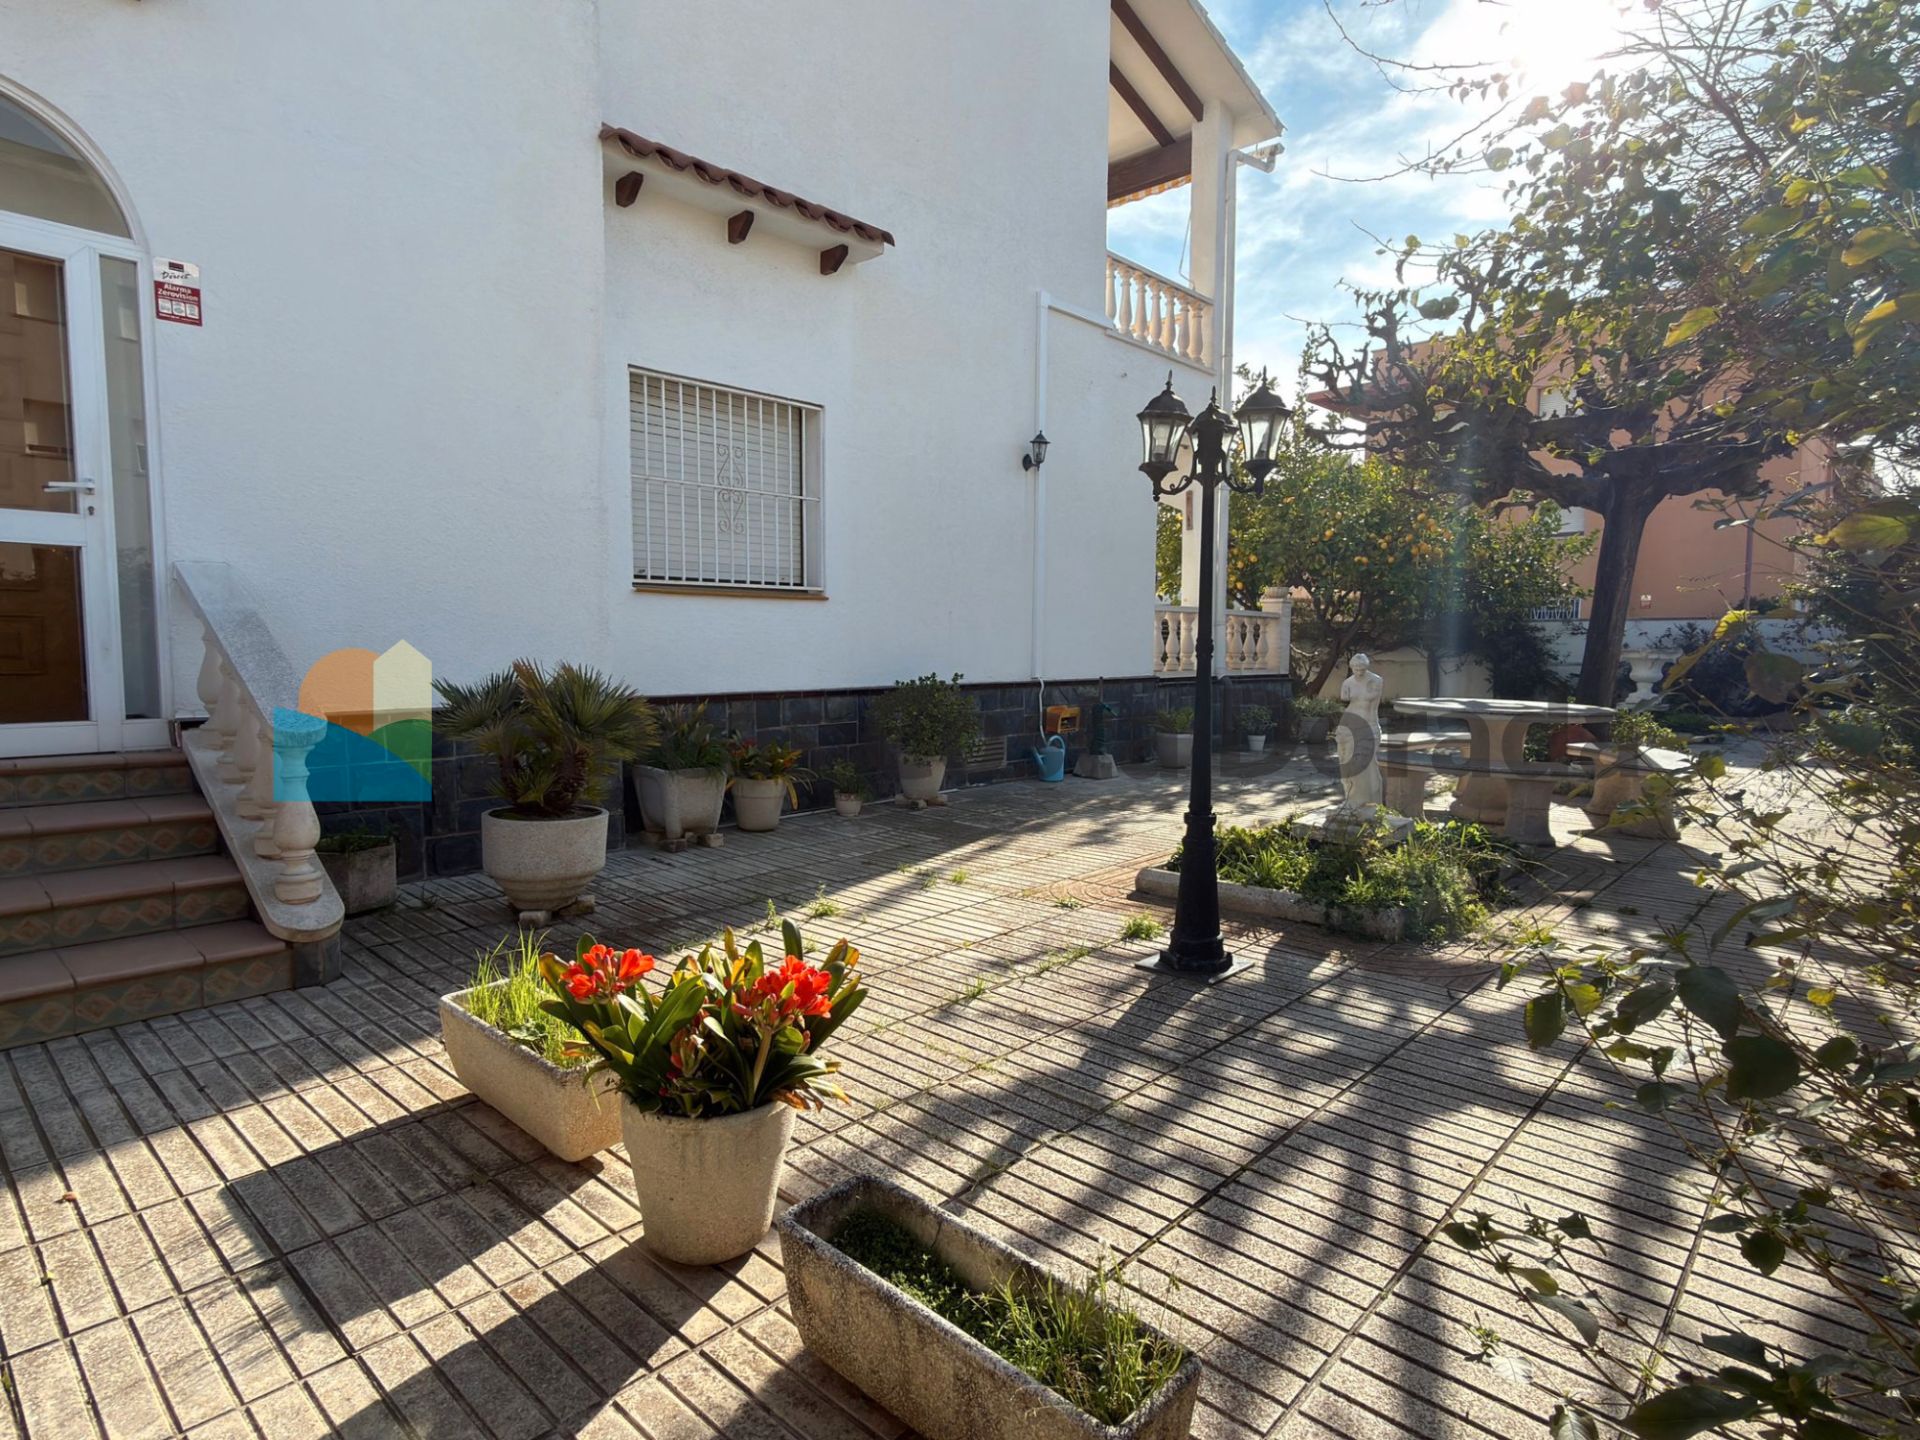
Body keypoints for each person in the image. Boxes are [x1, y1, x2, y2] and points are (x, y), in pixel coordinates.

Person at [1335, 653, 1385, 813]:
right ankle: (1352, 799)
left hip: (1368, 725)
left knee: (1366, 764)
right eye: (1355, 668)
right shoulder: (1347, 683)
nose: (1358, 671)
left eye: (1361, 668)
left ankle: (1368, 802)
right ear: (1351, 667)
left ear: (1366, 667)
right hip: (1349, 723)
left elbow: (1373, 705)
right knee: (1347, 761)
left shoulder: (1375, 681)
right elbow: (1344, 698)